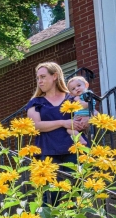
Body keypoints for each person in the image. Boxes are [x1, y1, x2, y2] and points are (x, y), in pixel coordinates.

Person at [24, 62, 87, 205]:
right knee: (51, 197)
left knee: (72, 194)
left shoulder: (72, 98)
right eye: (38, 78)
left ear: (55, 76)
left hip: (74, 150)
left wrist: (86, 120)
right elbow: (36, 126)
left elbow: (86, 115)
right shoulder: (35, 102)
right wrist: (63, 122)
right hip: (48, 152)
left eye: (43, 77)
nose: (39, 81)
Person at [66, 76, 94, 145]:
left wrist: (77, 100)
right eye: (73, 89)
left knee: (70, 129)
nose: (77, 89)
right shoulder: (77, 97)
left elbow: (87, 105)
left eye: (79, 85)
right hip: (77, 118)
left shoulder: (88, 94)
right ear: (71, 94)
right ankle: (82, 140)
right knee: (70, 129)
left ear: (86, 85)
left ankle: (82, 141)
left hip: (86, 116)